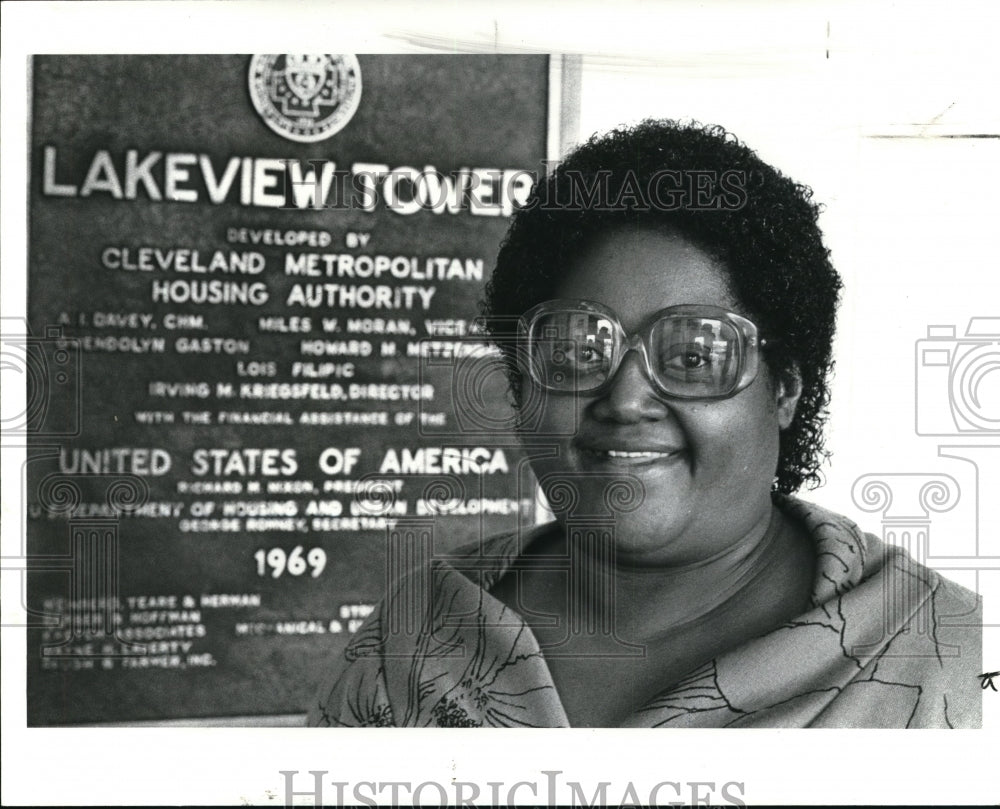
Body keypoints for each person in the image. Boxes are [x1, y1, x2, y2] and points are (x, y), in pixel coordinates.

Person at [309, 120, 982, 728]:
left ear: (784, 390)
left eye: (693, 354)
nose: (626, 398)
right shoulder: (419, 632)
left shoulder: (947, 652)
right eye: (578, 350)